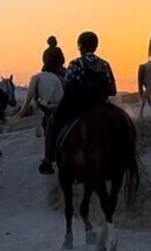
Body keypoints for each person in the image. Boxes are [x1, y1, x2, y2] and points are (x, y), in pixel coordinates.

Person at [39, 31, 117, 175]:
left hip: (80, 107)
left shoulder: (75, 63)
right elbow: (113, 91)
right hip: (103, 105)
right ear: (96, 46)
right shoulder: (104, 64)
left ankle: (48, 161)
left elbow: (66, 88)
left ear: (80, 46)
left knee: (52, 123)